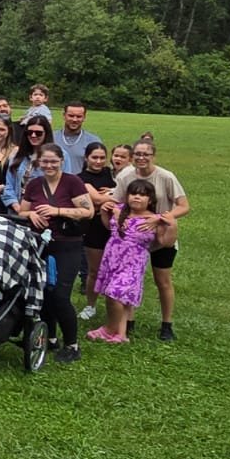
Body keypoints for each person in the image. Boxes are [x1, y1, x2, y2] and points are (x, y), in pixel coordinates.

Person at [17, 144, 95, 363]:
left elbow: (88, 211)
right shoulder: (34, 184)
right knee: (42, 294)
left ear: (61, 161)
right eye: (45, 161)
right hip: (40, 245)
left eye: (53, 161)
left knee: (60, 295)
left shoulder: (72, 182)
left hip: (67, 245)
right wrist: (31, 214)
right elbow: (22, 210)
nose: (49, 165)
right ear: (39, 163)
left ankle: (72, 344)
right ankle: (50, 337)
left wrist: (58, 211)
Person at [112, 139, 189, 341]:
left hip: (162, 237)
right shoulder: (125, 175)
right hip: (134, 239)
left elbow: (183, 206)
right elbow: (116, 203)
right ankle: (128, 322)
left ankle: (167, 324)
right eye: (137, 154)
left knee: (162, 280)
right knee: (129, 278)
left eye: (146, 154)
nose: (141, 158)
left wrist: (159, 218)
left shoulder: (166, 177)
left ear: (153, 156)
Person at [89, 179, 174, 343]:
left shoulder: (154, 219)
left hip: (133, 263)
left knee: (115, 294)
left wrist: (172, 225)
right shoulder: (119, 210)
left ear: (150, 199)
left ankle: (109, 329)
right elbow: (109, 227)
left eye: (142, 195)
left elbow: (165, 242)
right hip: (113, 258)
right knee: (123, 298)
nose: (137, 197)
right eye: (133, 194)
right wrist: (107, 212)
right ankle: (121, 334)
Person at [77, 142, 118, 320]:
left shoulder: (112, 174)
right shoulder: (80, 178)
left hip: (116, 227)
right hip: (94, 229)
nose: (98, 161)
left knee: (115, 270)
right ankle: (90, 305)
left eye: (102, 158)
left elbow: (127, 193)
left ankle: (116, 305)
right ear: (86, 158)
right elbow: (96, 198)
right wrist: (112, 195)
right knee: (94, 270)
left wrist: (111, 194)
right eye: (94, 157)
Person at [3, 115, 55, 213]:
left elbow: (63, 185)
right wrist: (17, 208)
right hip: (17, 210)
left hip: (44, 211)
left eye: (38, 133)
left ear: (46, 134)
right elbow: (9, 185)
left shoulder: (58, 156)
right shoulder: (17, 155)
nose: (33, 135)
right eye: (29, 132)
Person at [53, 102, 101, 174]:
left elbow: (98, 168)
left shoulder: (93, 141)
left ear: (84, 117)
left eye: (79, 116)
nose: (74, 120)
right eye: (71, 116)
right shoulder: (51, 138)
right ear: (64, 116)